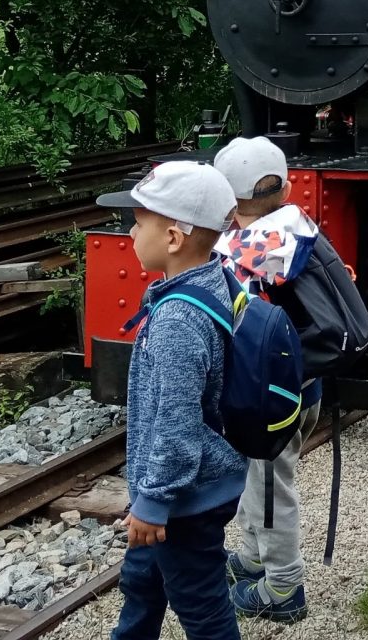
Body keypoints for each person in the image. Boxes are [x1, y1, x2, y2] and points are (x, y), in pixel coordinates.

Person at [96, 162, 247, 640]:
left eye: (139, 222)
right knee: (142, 580)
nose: (130, 232)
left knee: (202, 609)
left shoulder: (177, 320)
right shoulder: (208, 278)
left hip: (184, 498)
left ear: (174, 238)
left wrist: (154, 501)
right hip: (182, 486)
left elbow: (177, 424)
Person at [210, 137, 323, 622]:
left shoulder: (233, 253)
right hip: (305, 386)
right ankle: (254, 556)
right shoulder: (302, 228)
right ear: (288, 188)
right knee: (260, 482)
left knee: (271, 489)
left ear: (227, 201)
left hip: (269, 399)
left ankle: (283, 587)